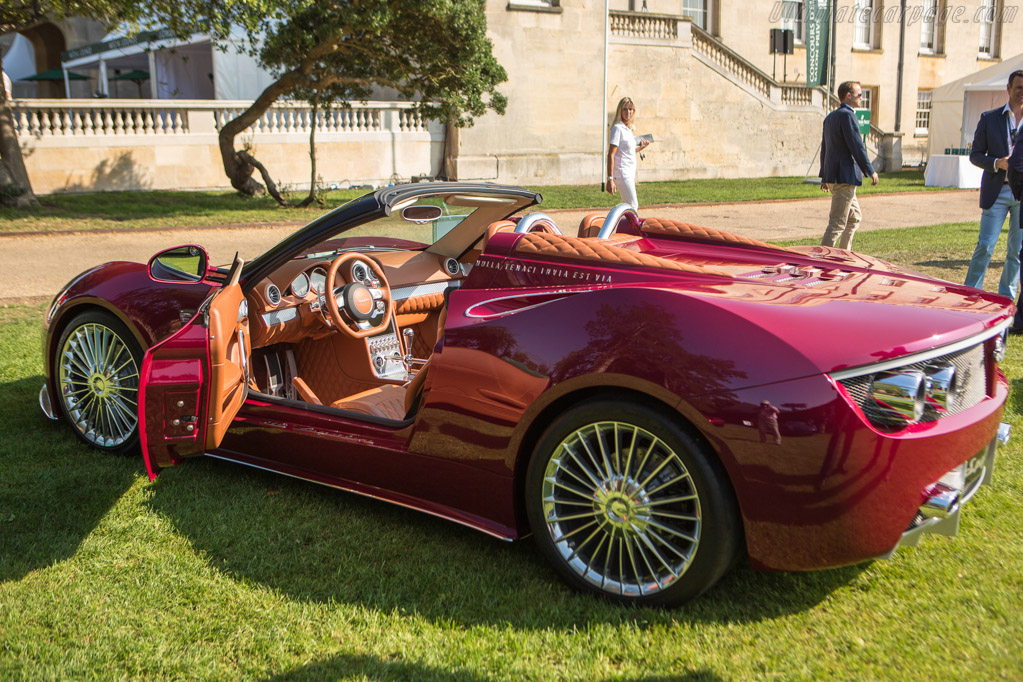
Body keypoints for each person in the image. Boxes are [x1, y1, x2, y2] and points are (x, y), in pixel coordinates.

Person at [966, 70, 1023, 305]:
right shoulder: (989, 119)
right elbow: (975, 155)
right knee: (985, 246)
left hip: (1022, 194)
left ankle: (1006, 299)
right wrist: (997, 163)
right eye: (1018, 87)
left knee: (1016, 252)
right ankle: (969, 295)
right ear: (1008, 89)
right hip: (997, 192)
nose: (1022, 92)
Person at [819, 81, 878, 250]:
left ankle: (845, 256)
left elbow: (826, 149)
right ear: (848, 96)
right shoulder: (847, 115)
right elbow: (857, 146)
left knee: (854, 218)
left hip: (837, 176)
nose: (861, 98)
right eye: (859, 95)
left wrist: (825, 175)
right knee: (837, 223)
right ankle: (822, 260)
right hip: (844, 177)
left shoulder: (830, 117)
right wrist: (870, 170)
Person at [606, 96, 649, 212]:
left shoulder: (628, 130)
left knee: (628, 206)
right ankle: (629, 229)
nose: (628, 112)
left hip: (629, 173)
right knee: (632, 205)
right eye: (625, 109)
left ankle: (623, 228)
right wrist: (609, 179)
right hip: (622, 173)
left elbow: (626, 152)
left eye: (630, 109)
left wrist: (640, 148)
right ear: (620, 111)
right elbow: (611, 154)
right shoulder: (617, 129)